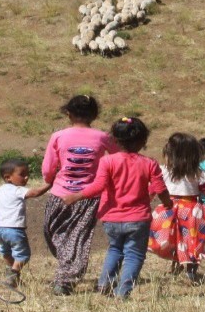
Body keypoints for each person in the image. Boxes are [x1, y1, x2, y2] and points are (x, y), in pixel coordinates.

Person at [63, 117, 172, 299]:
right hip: (138, 219)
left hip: (111, 218)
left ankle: (105, 284)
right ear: (143, 141)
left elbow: (98, 186)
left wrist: (77, 196)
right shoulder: (149, 163)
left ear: (115, 140)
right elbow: (160, 188)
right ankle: (123, 292)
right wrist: (168, 202)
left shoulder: (107, 161)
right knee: (134, 254)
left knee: (115, 249)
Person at [42, 94, 118, 296]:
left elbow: (48, 167)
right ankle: (68, 267)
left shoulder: (59, 136)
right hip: (81, 196)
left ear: (68, 113)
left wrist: (48, 179)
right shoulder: (102, 137)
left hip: (73, 195)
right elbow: (119, 156)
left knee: (64, 235)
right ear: (94, 115)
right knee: (71, 237)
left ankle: (65, 280)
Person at [150, 133, 205, 285]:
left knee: (174, 240)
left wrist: (146, 203)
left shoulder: (163, 170)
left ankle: (177, 267)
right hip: (193, 211)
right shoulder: (198, 173)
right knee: (192, 241)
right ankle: (191, 271)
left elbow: (154, 189)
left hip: (169, 209)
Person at [0, 159, 51, 287]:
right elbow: (36, 193)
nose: (26, 177)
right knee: (23, 255)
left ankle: (12, 275)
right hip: (14, 229)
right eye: (22, 174)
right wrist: (50, 183)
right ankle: (13, 274)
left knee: (5, 252)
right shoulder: (17, 190)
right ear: (8, 177)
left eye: (27, 174)